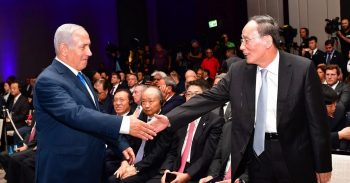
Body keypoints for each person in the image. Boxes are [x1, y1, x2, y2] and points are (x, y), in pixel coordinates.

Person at [150, 15, 332, 183]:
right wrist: (169, 118)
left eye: (246, 40)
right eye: (241, 40)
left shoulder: (302, 68)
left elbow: (317, 122)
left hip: (294, 156)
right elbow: (208, 98)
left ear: (267, 41)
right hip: (254, 157)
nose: (242, 47)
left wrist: (323, 164)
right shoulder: (238, 72)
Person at [33, 23, 157, 183]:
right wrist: (125, 123)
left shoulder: (82, 77)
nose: (89, 52)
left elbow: (95, 117)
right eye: (83, 47)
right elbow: (76, 114)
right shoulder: (48, 80)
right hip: (65, 170)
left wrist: (119, 143)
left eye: (89, 46)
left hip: (89, 167)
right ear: (64, 49)